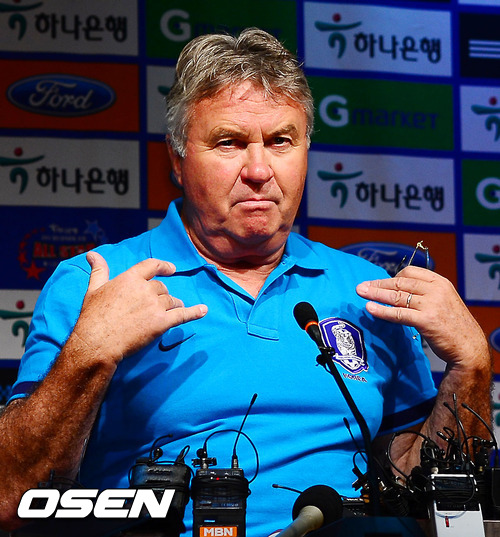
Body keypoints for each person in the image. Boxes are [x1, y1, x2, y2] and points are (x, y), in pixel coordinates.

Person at [0, 28, 492, 536]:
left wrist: (472, 367)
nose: (259, 170)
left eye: (281, 141)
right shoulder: (97, 284)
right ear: (177, 159)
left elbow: (419, 491)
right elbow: (10, 496)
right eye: (229, 142)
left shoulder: (367, 290)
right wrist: (90, 353)